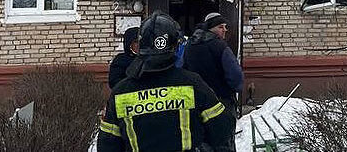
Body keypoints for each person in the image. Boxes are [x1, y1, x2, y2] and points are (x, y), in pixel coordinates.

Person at [98, 11, 234, 152]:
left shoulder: (120, 92)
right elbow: (222, 129)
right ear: (175, 46)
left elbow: (107, 145)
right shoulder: (192, 83)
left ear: (141, 45)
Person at [182, 12, 244, 151]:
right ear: (210, 28)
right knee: (224, 140)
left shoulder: (189, 46)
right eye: (221, 27)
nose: (225, 30)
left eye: (225, 26)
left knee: (201, 141)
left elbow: (182, 70)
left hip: (195, 103)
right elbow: (236, 77)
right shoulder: (220, 47)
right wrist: (233, 89)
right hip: (222, 103)